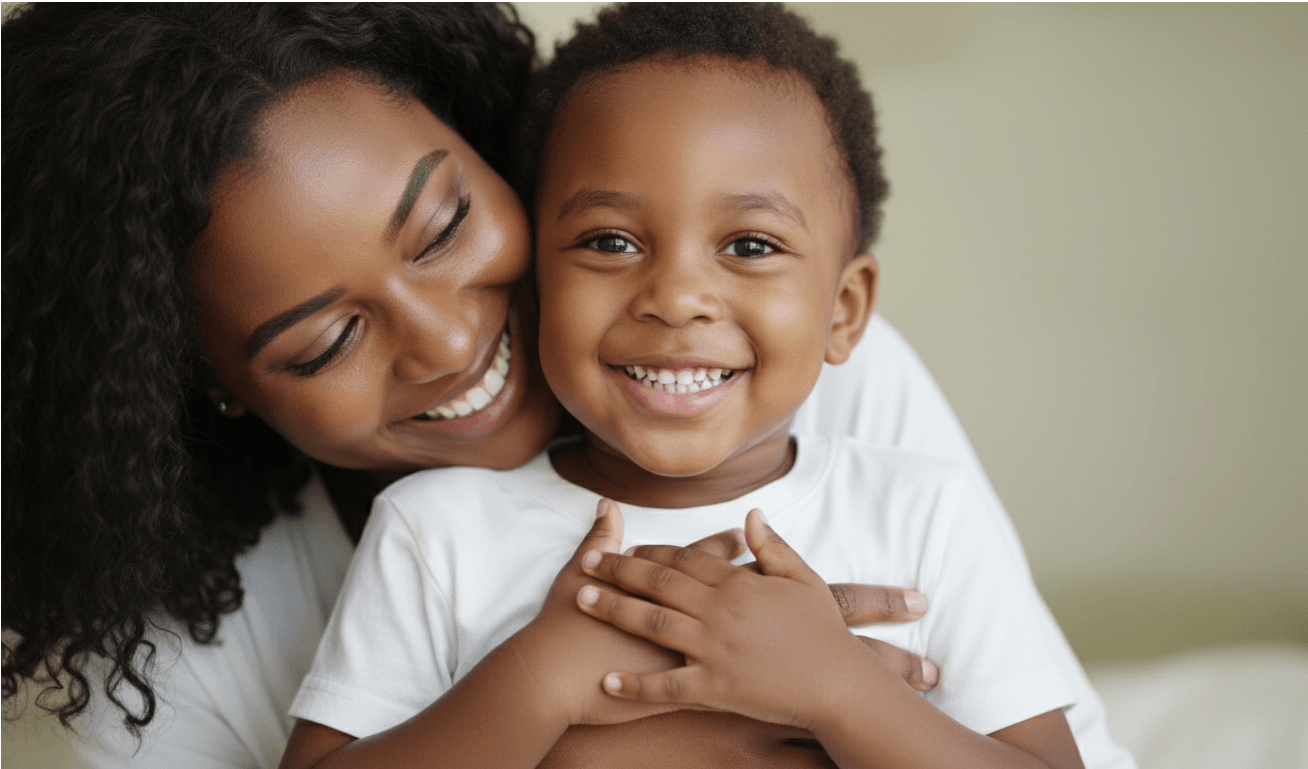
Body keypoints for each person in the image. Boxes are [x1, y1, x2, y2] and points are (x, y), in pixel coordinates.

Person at [0, 3, 1129, 768]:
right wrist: (550, 690)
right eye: (323, 339)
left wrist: (840, 689)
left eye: (443, 224)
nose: (446, 340)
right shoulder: (423, 535)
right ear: (204, 383)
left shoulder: (863, 448)